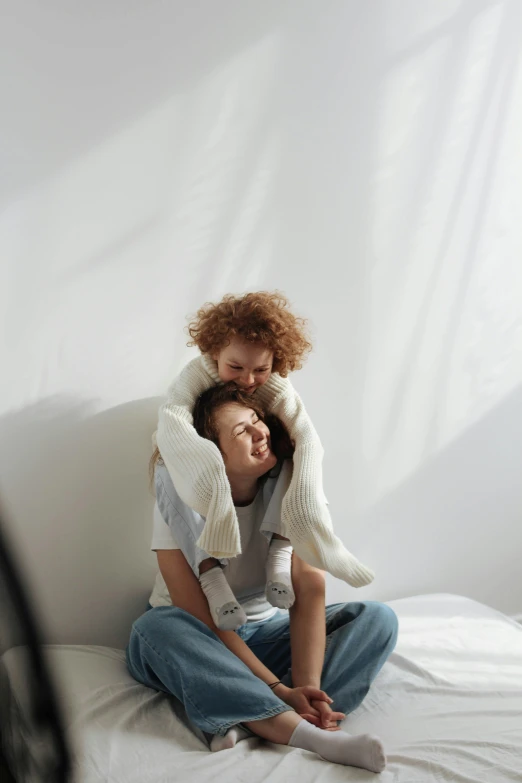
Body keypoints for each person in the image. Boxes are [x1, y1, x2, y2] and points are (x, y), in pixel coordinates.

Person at [127, 384, 398, 773]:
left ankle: (267, 718)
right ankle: (309, 736)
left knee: (376, 619)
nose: (260, 432)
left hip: (264, 637)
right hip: (196, 640)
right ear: (211, 454)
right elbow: (203, 618)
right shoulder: (182, 504)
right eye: (241, 431)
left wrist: (301, 685)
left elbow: (308, 590)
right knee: (154, 626)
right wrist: (276, 687)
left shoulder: (297, 493)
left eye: (257, 420)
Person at [155, 291, 374, 631]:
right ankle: (211, 574)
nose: (248, 380)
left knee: (374, 620)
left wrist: (305, 500)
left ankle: (281, 552)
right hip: (195, 626)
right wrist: (210, 463)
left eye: (261, 369)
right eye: (235, 367)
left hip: (267, 626)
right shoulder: (197, 375)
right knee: (166, 464)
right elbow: (172, 419)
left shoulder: (276, 390)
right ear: (215, 353)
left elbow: (307, 437)